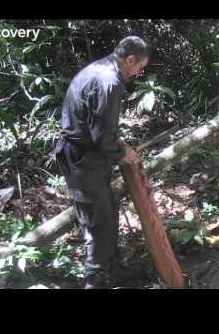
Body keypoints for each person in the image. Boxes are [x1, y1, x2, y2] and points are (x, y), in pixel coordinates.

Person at [53, 36, 150, 288]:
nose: (139, 73)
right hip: (82, 158)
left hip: (83, 154)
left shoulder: (100, 68)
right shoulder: (110, 81)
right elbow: (100, 136)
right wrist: (121, 154)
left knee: (106, 212)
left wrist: (119, 144)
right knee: (99, 221)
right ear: (130, 60)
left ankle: (113, 269)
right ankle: (96, 281)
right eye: (140, 67)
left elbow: (95, 122)